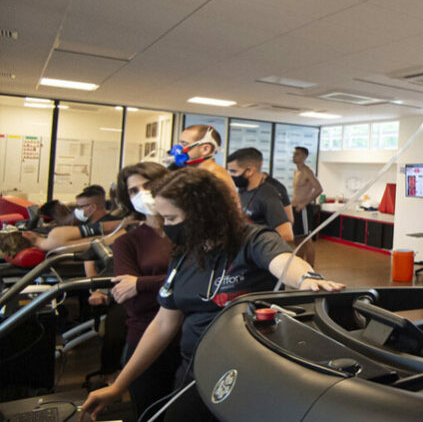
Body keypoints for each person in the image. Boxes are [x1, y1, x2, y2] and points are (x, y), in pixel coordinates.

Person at [80, 168, 344, 422]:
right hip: (194, 370)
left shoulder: (252, 239)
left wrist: (306, 278)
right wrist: (119, 385)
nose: (166, 227)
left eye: (171, 219)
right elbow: (163, 323)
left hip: (248, 371)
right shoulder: (184, 255)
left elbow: (282, 260)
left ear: (201, 214)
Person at [109, 162, 180, 417]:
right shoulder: (126, 243)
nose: (142, 194)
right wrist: (177, 283)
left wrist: (141, 283)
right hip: (145, 340)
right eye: (133, 190)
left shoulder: (190, 233)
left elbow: (202, 281)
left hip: (193, 339)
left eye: (148, 186)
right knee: (151, 412)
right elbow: (133, 303)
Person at [226, 148, 293, 241]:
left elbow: (286, 234)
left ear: (249, 171)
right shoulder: (243, 189)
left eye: (233, 171)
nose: (229, 175)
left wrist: (255, 245)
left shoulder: (267, 194)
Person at [175, 125, 240, 206]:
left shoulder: (215, 178)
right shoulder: (199, 174)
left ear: (206, 149)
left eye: (184, 144)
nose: (178, 149)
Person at [291, 146, 322, 265]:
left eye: (297, 154)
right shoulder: (296, 172)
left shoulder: (307, 171)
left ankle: (311, 268)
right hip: (295, 209)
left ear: (304, 157)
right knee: (298, 239)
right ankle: (300, 266)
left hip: (303, 209)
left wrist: (304, 203)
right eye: (294, 154)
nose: (294, 156)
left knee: (306, 240)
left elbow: (319, 189)